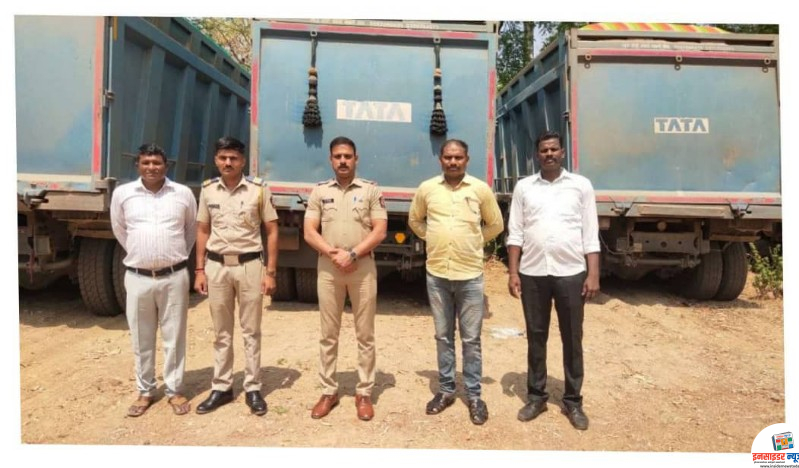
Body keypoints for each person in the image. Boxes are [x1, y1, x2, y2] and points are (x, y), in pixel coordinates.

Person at [506, 130, 600, 430]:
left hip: (571, 272)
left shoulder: (580, 186)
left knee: (572, 337)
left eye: (554, 149)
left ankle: (573, 401)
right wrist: (513, 272)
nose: (549, 154)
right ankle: (536, 397)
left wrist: (593, 273)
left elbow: (590, 232)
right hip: (532, 273)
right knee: (536, 336)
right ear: (537, 155)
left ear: (562, 153)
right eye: (544, 150)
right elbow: (515, 232)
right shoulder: (524, 187)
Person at [408, 139, 503, 425]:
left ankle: (474, 395)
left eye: (458, 157)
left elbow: (495, 224)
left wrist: (473, 242)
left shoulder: (479, 189)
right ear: (440, 159)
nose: (453, 162)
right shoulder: (427, 189)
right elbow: (415, 220)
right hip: (437, 274)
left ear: (466, 159)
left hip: (470, 275)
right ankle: (447, 390)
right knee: (443, 336)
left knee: (471, 339)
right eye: (448, 157)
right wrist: (433, 237)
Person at [303, 136, 387, 421]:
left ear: (356, 159)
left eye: (347, 156)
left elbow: (380, 230)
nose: (343, 161)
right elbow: (309, 231)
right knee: (328, 334)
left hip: (362, 268)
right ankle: (329, 391)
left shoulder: (370, 190)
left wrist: (352, 254)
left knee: (365, 334)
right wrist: (333, 253)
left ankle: (364, 392)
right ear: (330, 160)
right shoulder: (319, 191)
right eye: (338, 156)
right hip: (329, 269)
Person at [110, 143, 197, 417]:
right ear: (137, 165)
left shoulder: (182, 194)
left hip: (175, 276)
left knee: (174, 336)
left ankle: (174, 389)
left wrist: (171, 257)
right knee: (141, 337)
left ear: (166, 166)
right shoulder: (123, 194)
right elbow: (120, 230)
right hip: (138, 277)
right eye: (146, 162)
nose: (151, 167)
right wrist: (143, 255)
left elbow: (190, 232)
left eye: (157, 163)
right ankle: (145, 390)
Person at [194, 136, 279, 416]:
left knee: (251, 330)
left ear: (243, 161)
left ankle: (253, 387)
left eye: (233, 158)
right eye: (223, 158)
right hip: (216, 266)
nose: (228, 162)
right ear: (216, 160)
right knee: (221, 332)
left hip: (249, 265)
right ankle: (222, 387)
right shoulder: (208, 190)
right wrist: (199, 269)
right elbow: (202, 230)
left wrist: (270, 272)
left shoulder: (258, 190)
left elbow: (272, 231)